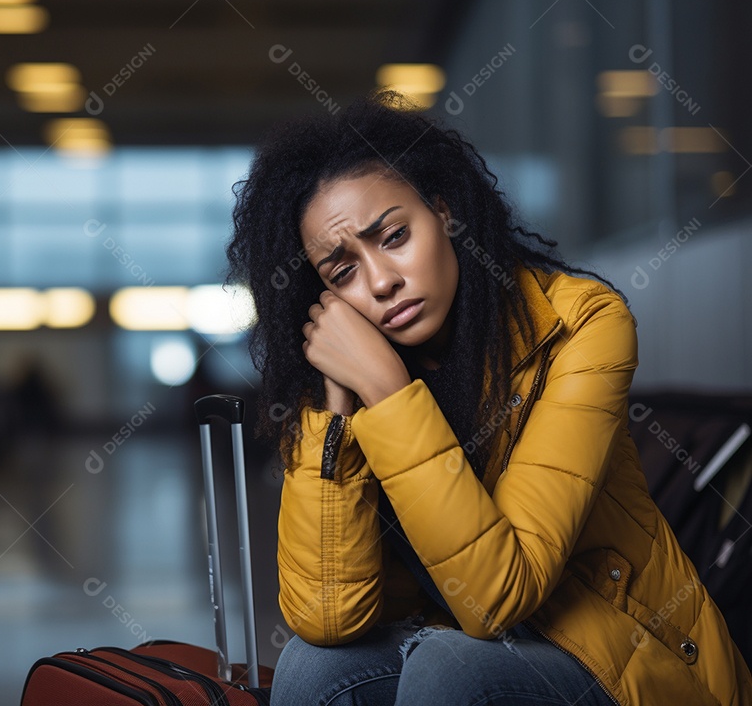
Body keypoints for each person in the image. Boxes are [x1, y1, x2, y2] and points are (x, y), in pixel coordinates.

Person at [226, 89, 752, 705]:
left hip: (628, 665)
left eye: (394, 236)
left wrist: (387, 392)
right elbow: (326, 618)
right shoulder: (347, 373)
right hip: (467, 647)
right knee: (312, 666)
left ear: (444, 213)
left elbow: (497, 598)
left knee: (450, 667)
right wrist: (334, 413)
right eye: (343, 272)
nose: (381, 281)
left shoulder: (580, 324)